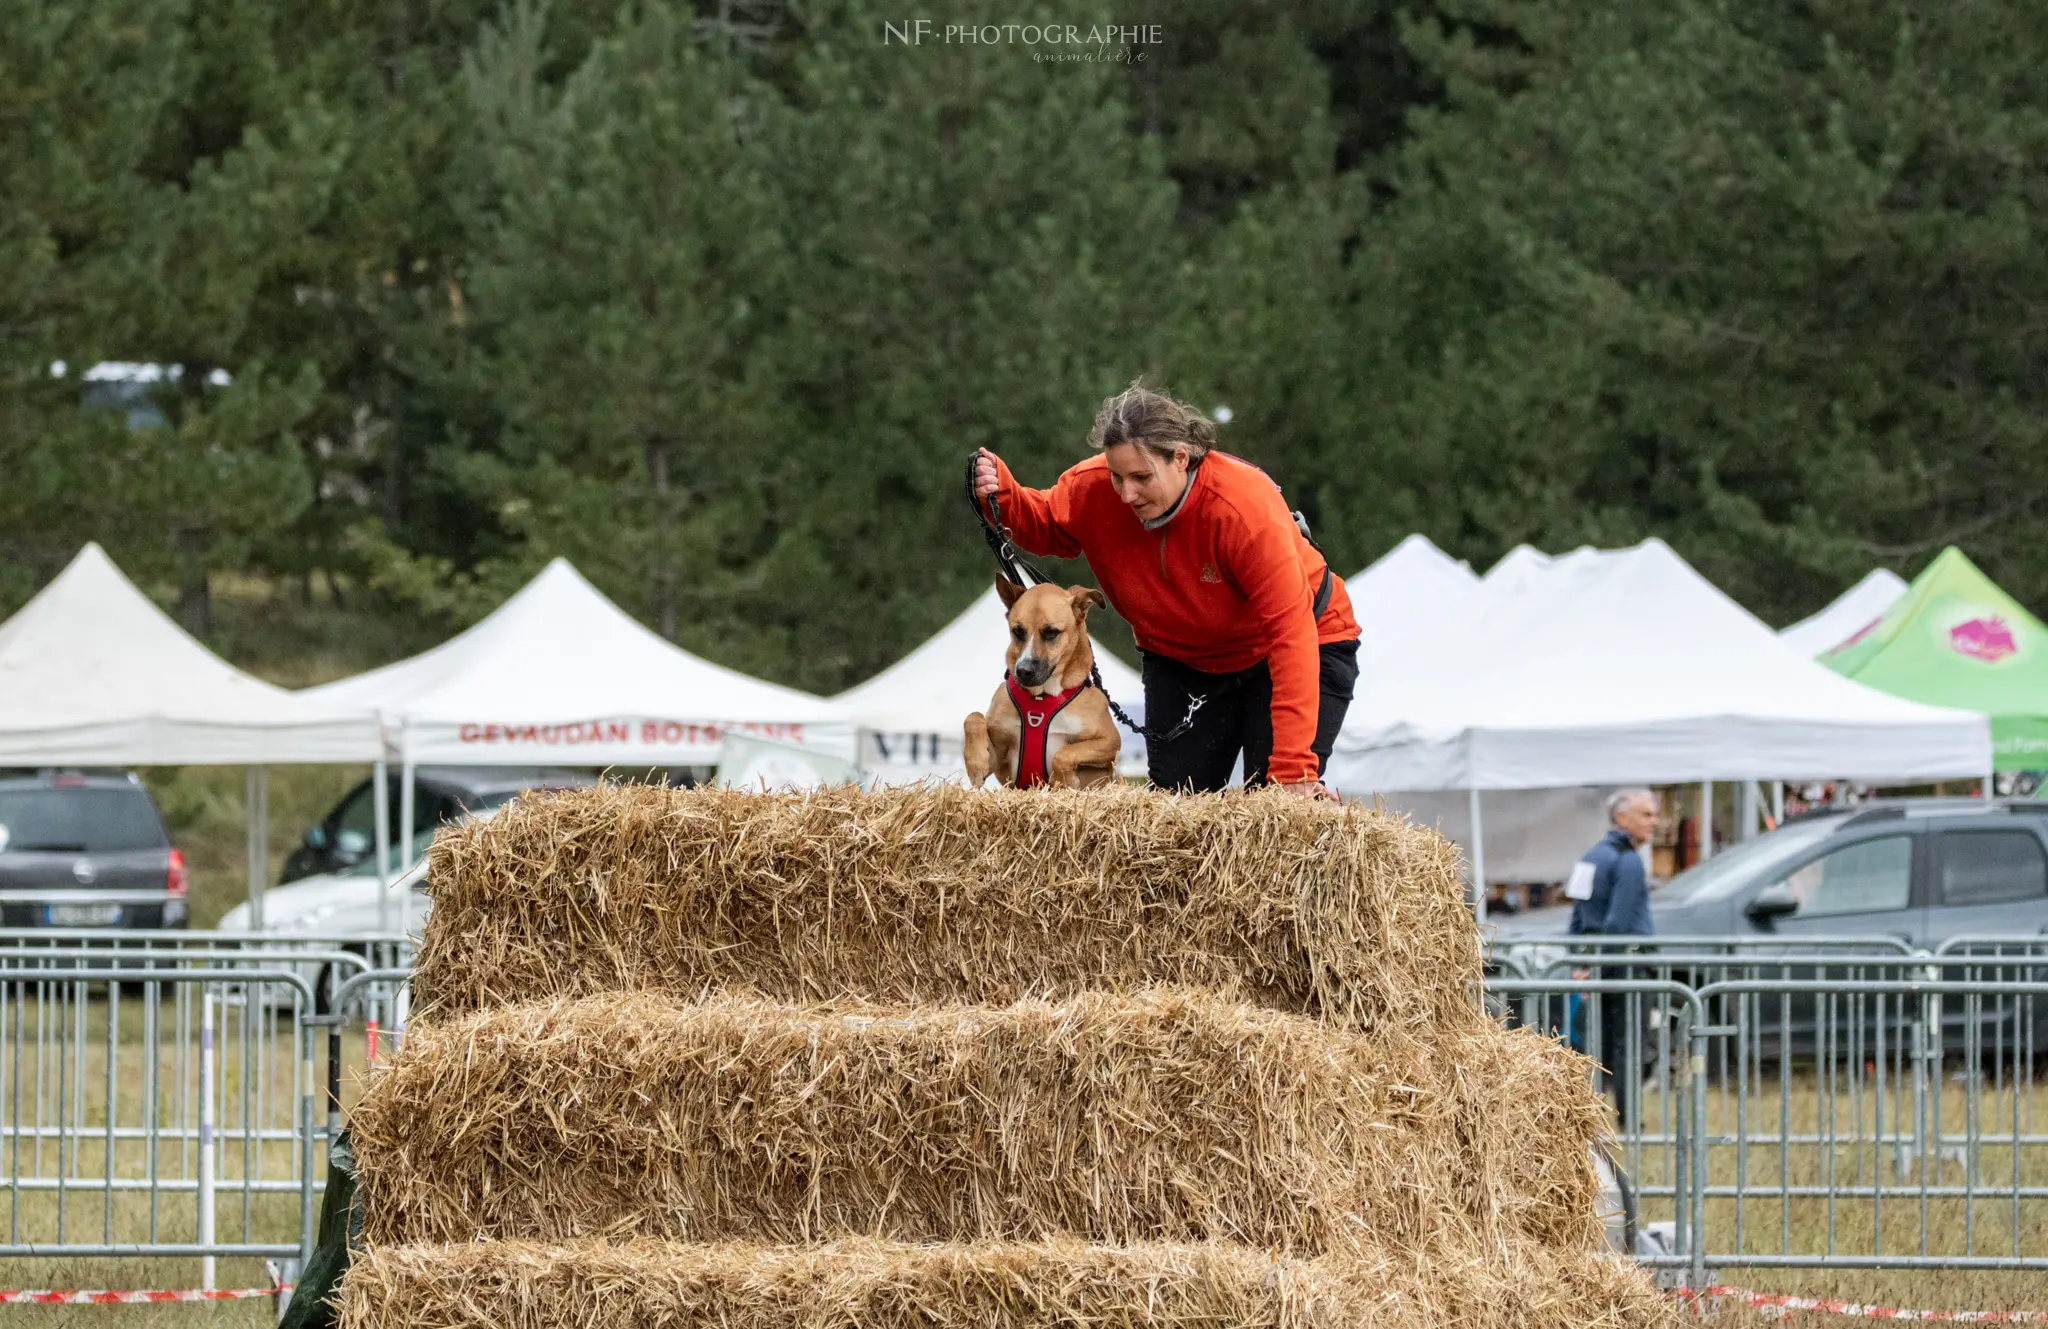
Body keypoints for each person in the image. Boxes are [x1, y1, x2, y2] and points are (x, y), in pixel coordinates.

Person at [971, 383, 1361, 797]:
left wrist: (1293, 773)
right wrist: (1003, 496)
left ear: (1181, 457)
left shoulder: (1242, 509)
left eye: (1141, 477)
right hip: (1183, 660)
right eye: (1116, 476)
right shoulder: (1094, 486)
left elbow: (1290, 635)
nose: (1126, 494)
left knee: (1275, 801)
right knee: (1175, 812)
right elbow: (1048, 523)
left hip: (1299, 645)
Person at [1568, 788, 1659, 1128]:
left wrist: (1580, 963)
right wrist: (1600, 967)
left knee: (1594, 1043)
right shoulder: (1629, 861)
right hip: (1626, 963)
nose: (1654, 821)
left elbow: (1577, 917)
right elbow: (1618, 924)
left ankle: (1589, 1118)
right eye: (1646, 815)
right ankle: (1630, 1121)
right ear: (1621, 818)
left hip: (1595, 963)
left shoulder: (1590, 857)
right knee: (1630, 1043)